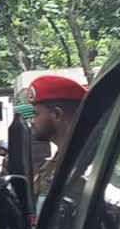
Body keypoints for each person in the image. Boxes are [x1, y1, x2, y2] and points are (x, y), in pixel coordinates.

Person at [28, 75, 88, 210]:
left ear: (57, 115)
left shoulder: (83, 164)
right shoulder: (58, 160)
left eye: (36, 114)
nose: (32, 121)